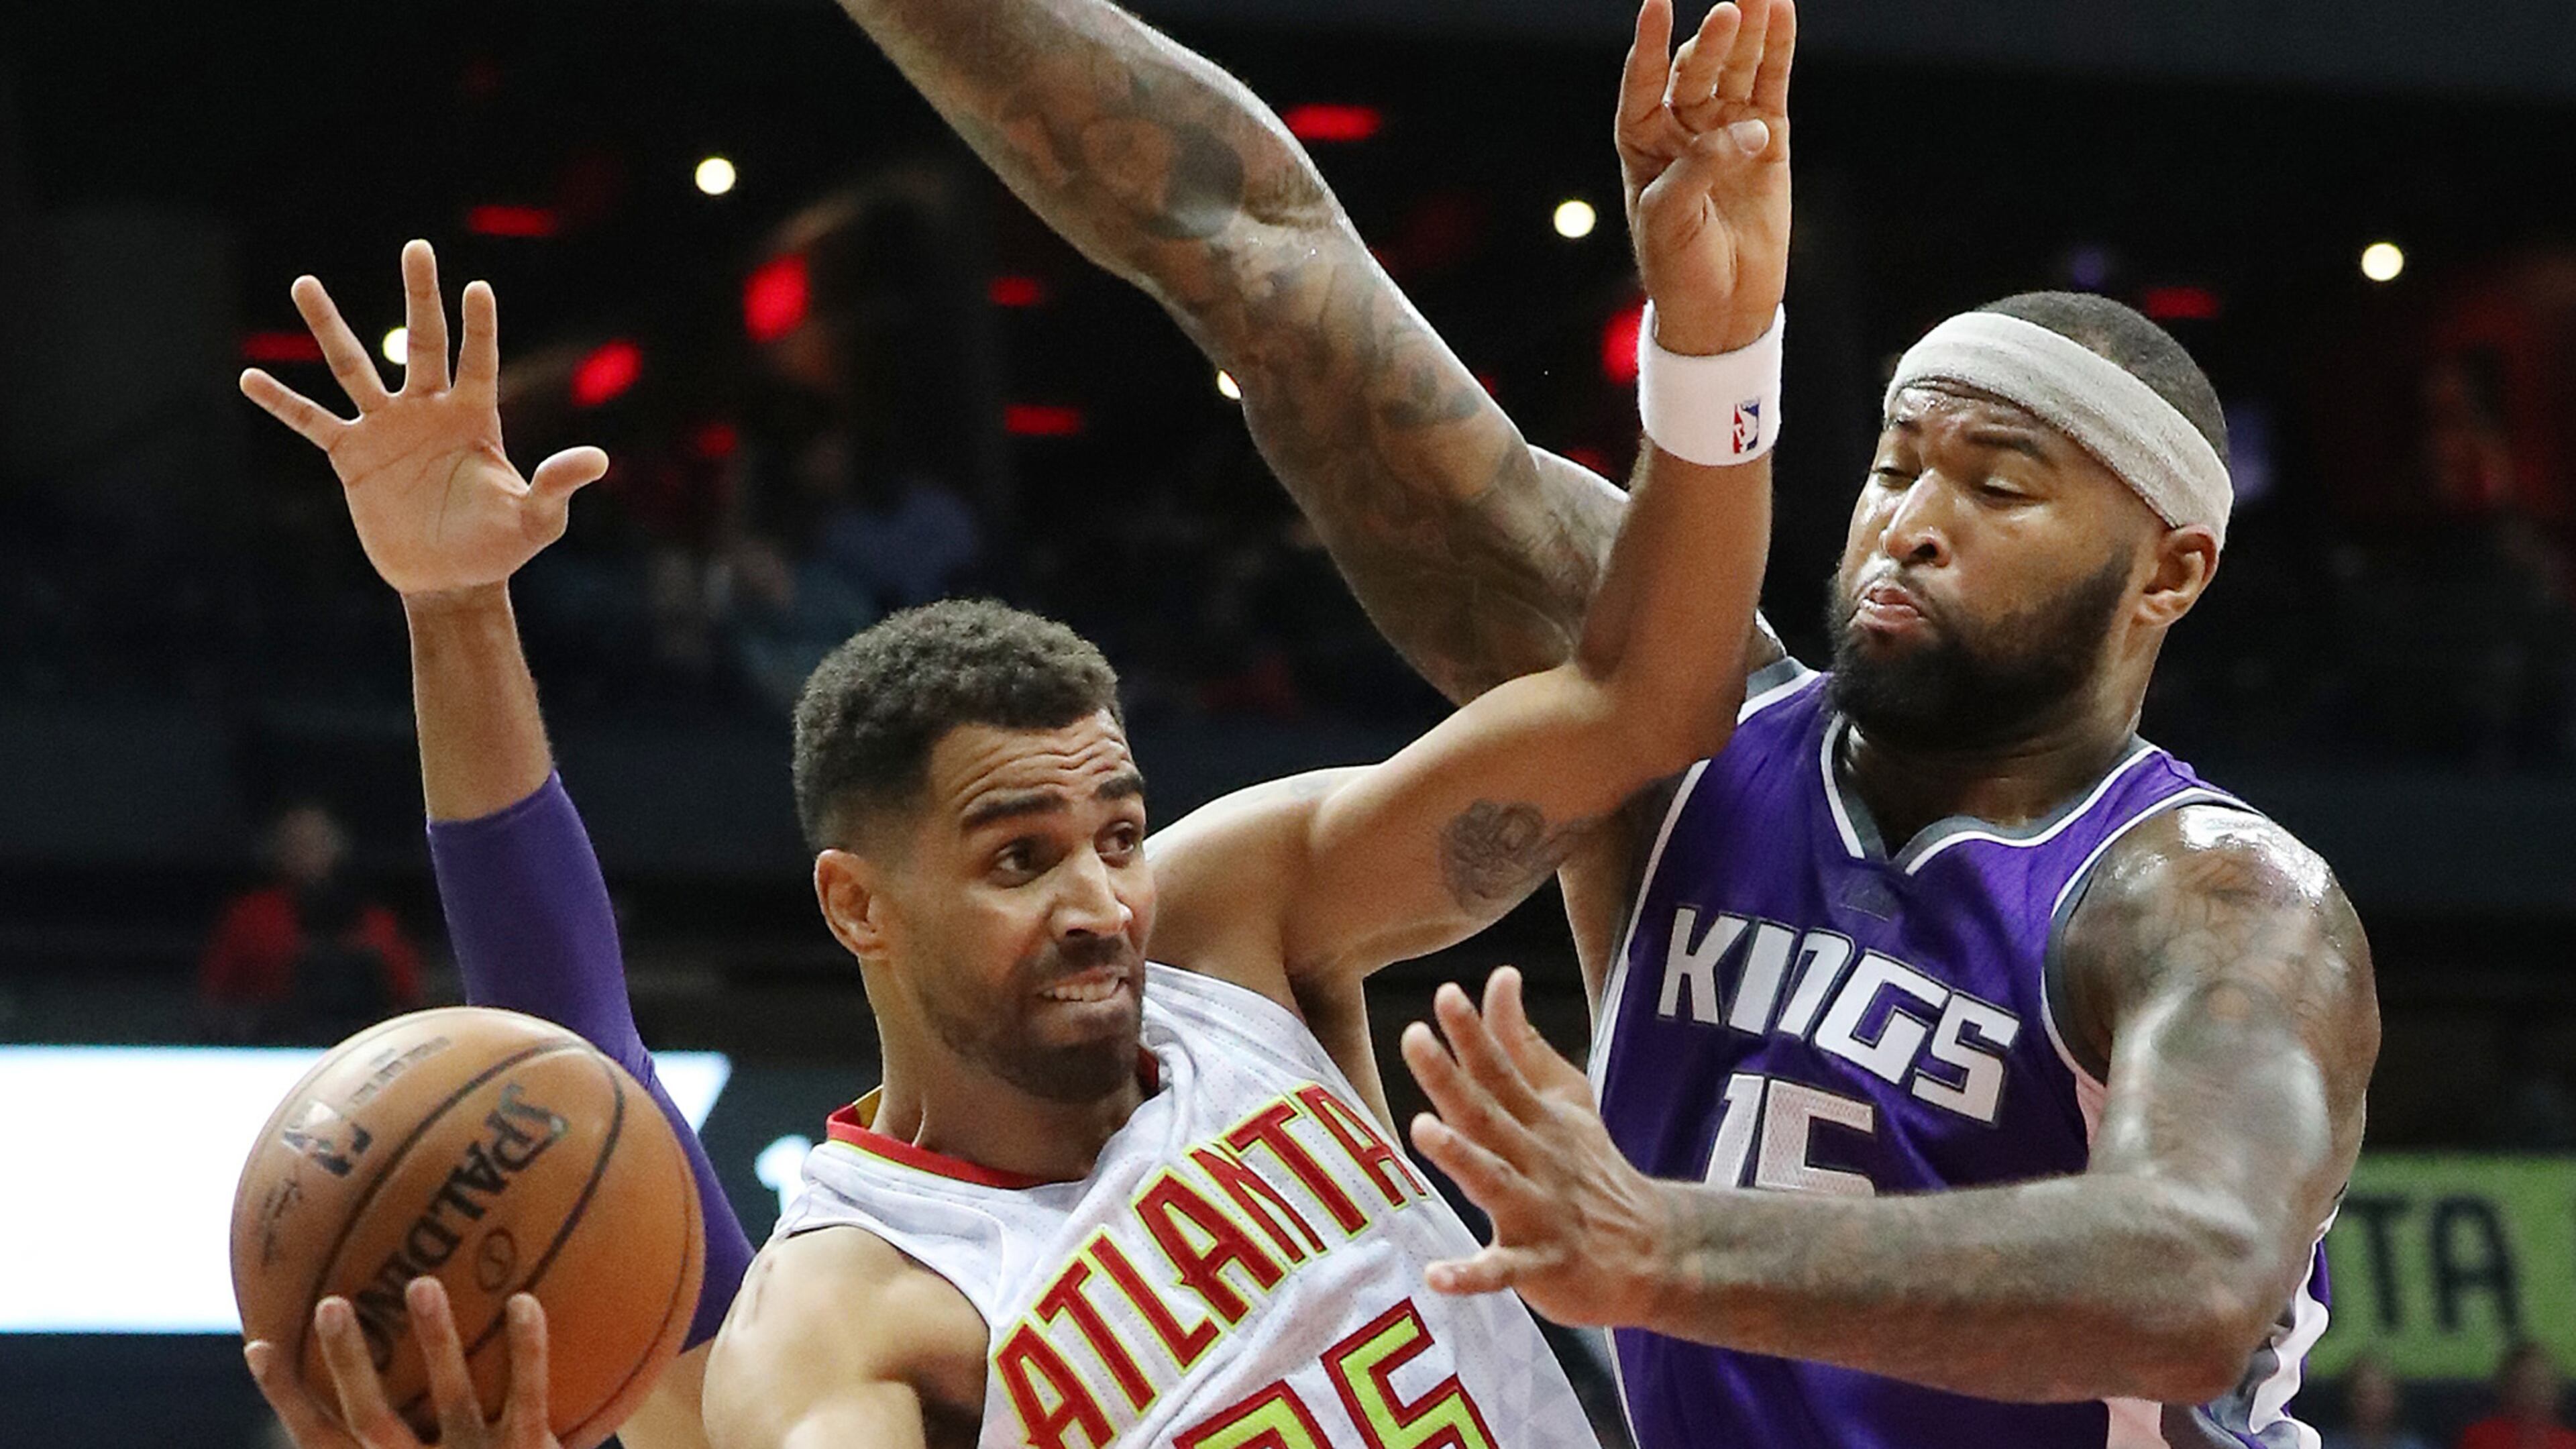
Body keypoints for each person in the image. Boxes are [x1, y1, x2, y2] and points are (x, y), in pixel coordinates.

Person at [228, 1, 1793, 1438]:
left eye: (1113, 830)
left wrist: (1715, 343)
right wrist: (455, 608)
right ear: (857, 899)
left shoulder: (1227, 929)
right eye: (1016, 854)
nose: (1101, 898)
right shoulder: (845, 1318)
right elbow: (581, 1037)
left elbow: (1647, 703)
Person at [826, 0, 2380, 1442]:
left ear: (2167, 571)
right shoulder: (1681, 738)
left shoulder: (2212, 896)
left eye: (1995, 488)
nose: (1910, 521)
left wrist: (1663, 1241)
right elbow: (1260, 257)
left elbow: (2194, 1273)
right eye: (1896, 466)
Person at [199, 801, 421, 1044]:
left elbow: (407, 995)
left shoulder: (375, 919)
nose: (306, 851)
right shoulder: (249, 915)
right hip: (269, 1047)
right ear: (276, 849)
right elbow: (215, 995)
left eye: (317, 841)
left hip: (364, 1050)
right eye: (295, 842)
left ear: (337, 846)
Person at [2458, 1342, 2576, 1449]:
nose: (2533, 1393)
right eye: (2525, 1384)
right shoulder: (2480, 1438)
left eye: (2540, 1384)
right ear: (2507, 1388)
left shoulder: (2570, 1443)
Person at [2322, 1354, 2436, 1449]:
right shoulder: (2326, 1445)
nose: (2373, 1403)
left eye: (2382, 1395)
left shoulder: (2412, 1446)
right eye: (2365, 1395)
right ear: (2349, 1398)